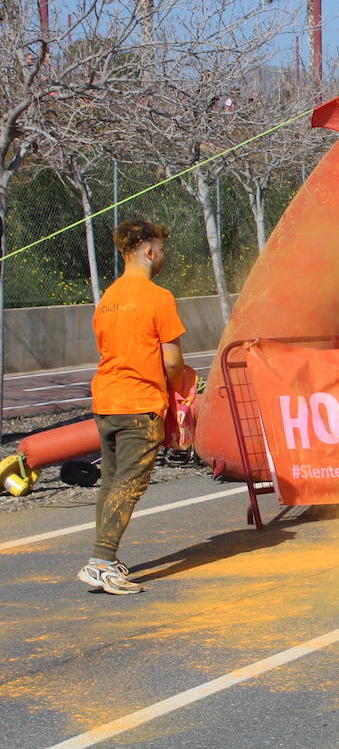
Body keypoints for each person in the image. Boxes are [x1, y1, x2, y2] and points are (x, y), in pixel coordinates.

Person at [81, 220, 186, 595]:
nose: (162, 255)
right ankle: (101, 562)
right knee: (128, 484)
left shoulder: (107, 298)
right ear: (149, 251)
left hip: (106, 401)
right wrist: (184, 392)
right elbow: (172, 361)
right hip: (139, 403)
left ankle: (103, 556)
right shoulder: (159, 298)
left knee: (111, 483)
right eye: (161, 248)